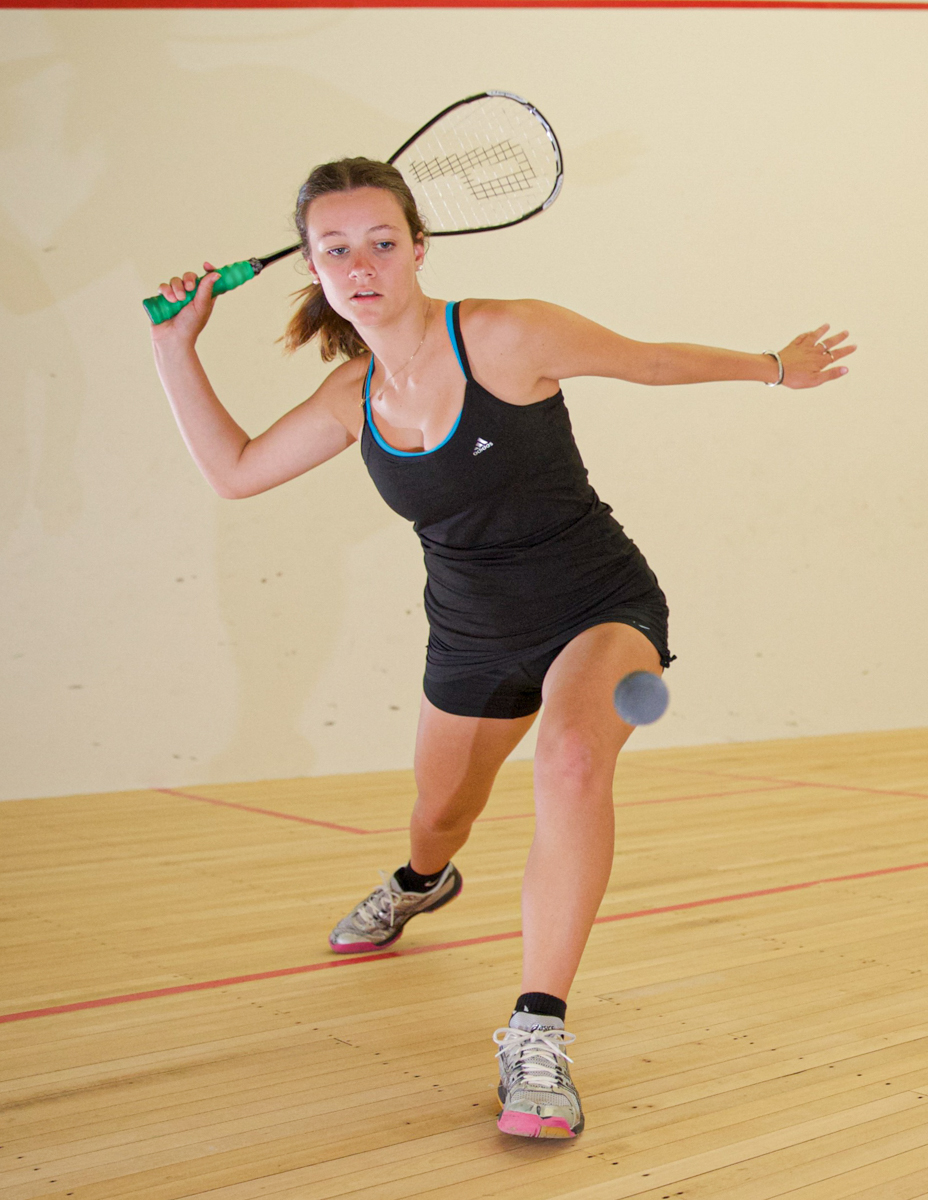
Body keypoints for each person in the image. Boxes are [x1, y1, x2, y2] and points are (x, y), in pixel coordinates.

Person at [149, 156, 852, 1139]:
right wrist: (175, 348)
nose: (363, 264)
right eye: (336, 248)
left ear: (419, 247)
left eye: (382, 241)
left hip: (598, 607)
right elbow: (231, 471)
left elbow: (646, 361)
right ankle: (420, 881)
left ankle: (538, 1033)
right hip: (472, 639)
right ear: (312, 267)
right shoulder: (351, 399)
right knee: (440, 816)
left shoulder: (502, 333)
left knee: (569, 760)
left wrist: (776, 365)